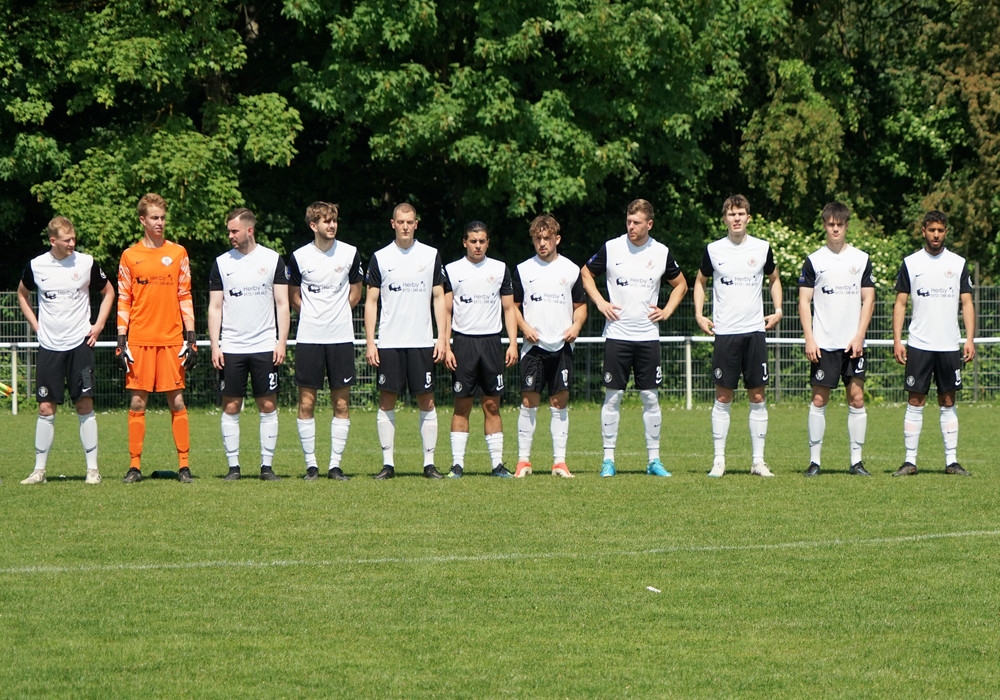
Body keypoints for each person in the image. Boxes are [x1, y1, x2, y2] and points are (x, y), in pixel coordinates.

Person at [581, 199, 688, 478]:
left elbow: (681, 284)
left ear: (649, 224)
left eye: (637, 222)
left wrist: (667, 310)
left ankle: (654, 460)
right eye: (628, 221)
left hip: (648, 336)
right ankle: (608, 460)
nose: (631, 226)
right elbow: (586, 273)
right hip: (617, 335)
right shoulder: (612, 247)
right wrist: (601, 303)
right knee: (613, 397)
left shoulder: (661, 252)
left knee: (650, 398)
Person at [17, 216, 115, 485]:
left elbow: (109, 292)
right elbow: (22, 294)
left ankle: (92, 470)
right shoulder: (36, 266)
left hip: (79, 345)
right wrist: (36, 326)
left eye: (74, 239)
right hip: (50, 346)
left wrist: (98, 326)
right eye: (66, 240)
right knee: (45, 407)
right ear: (53, 241)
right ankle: (39, 471)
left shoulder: (86, 263)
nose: (72, 243)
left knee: (84, 404)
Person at [693, 194, 782, 478]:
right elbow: (700, 281)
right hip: (726, 333)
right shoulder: (713, 250)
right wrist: (699, 313)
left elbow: (774, 278)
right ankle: (719, 461)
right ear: (725, 219)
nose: (737, 218)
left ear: (748, 217)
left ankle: (758, 462)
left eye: (741, 213)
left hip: (754, 331)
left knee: (758, 395)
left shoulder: (762, 247)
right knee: (723, 395)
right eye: (732, 214)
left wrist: (778, 310)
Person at [117, 193, 199, 483]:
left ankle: (184, 466)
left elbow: (185, 295)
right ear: (143, 220)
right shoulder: (130, 256)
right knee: (138, 403)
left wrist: (191, 337)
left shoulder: (178, 253)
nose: (160, 222)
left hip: (171, 340)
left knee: (176, 401)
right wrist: (121, 340)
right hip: (139, 340)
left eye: (163, 217)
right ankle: (134, 467)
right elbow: (124, 298)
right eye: (154, 217)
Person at [364, 203, 449, 479]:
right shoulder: (380, 257)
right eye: (400, 222)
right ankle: (388, 464)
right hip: (390, 342)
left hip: (422, 341)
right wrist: (371, 342)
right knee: (387, 400)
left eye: (409, 222)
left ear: (416, 224)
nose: (405, 226)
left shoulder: (430, 255)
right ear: (393, 223)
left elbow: (439, 298)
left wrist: (442, 338)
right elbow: (371, 302)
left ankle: (429, 464)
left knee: (427, 400)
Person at [208, 208, 290, 481]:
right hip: (232, 347)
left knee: (267, 405)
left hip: (265, 346)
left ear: (249, 230)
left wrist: (281, 342)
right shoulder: (222, 263)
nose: (230, 235)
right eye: (229, 231)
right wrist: (216, 345)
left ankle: (267, 467)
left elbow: (282, 304)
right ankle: (234, 468)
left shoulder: (272, 259)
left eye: (234, 231)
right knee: (231, 406)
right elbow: (215, 307)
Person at [891, 210, 976, 476]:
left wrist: (969, 339)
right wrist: (897, 340)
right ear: (924, 231)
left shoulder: (958, 263)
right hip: (919, 343)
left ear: (945, 232)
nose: (936, 235)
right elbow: (900, 303)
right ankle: (909, 461)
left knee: (948, 399)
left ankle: (951, 461)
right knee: (915, 399)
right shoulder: (911, 263)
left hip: (949, 344)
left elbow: (967, 303)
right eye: (931, 230)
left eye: (940, 230)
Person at [798, 202, 876, 477]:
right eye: (831, 224)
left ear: (846, 226)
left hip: (853, 344)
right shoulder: (814, 260)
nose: (835, 229)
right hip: (824, 343)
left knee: (857, 398)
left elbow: (868, 299)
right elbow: (804, 301)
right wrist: (810, 338)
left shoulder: (861, 259)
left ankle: (857, 462)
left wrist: (860, 336)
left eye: (839, 225)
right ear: (824, 226)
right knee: (819, 399)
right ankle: (814, 462)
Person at [288, 201, 364, 481]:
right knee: (306, 403)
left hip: (341, 338)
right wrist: (313, 316)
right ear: (313, 225)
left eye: (334, 220)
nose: (332, 225)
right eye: (326, 221)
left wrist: (338, 313)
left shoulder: (350, 253)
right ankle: (311, 466)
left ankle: (335, 465)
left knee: (341, 404)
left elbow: (356, 291)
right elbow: (294, 296)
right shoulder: (299, 257)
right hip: (309, 338)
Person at [442, 221, 520, 478]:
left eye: (482, 241)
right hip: (463, 343)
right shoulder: (452, 270)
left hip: (491, 343)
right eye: (473, 241)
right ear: (464, 242)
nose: (477, 246)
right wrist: (446, 345)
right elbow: (446, 311)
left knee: (492, 406)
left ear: (488, 243)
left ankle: (497, 465)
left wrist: (512, 343)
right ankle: (457, 465)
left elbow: (509, 309)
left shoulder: (499, 269)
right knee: (462, 405)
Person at [512, 214, 587, 478]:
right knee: (528, 400)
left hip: (562, 346)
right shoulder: (523, 270)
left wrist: (576, 326)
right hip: (533, 347)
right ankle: (523, 461)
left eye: (547, 238)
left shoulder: (571, 269)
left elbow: (580, 306)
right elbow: (512, 307)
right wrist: (524, 327)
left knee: (559, 402)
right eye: (537, 238)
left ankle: (559, 462)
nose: (542, 243)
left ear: (557, 239)